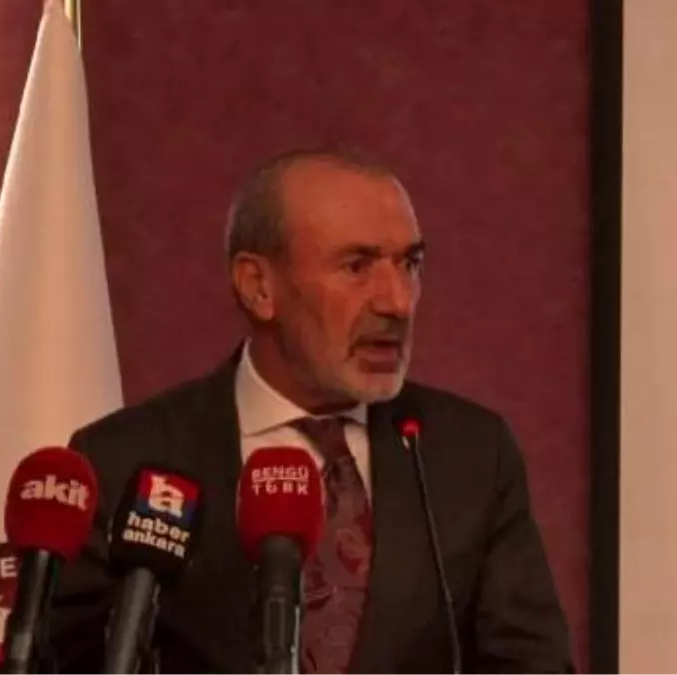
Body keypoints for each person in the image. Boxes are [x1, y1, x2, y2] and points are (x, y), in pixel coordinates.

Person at [48, 148, 575, 674]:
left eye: (409, 264)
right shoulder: (125, 459)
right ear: (259, 287)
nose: (397, 302)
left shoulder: (471, 456)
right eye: (357, 266)